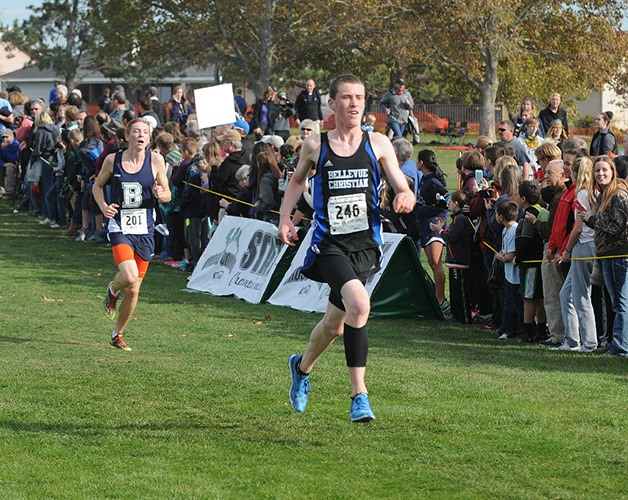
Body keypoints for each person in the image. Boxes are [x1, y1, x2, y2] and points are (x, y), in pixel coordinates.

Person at [277, 74, 415, 422]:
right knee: (360, 304)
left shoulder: (379, 143)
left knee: (336, 324)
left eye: (359, 97)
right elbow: (296, 182)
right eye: (346, 97)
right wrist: (285, 219)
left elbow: (400, 182)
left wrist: (405, 194)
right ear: (332, 104)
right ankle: (359, 395)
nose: (354, 103)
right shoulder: (315, 145)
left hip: (365, 247)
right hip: (329, 245)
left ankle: (302, 367)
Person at [93, 118, 171, 351]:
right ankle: (111, 291)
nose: (140, 135)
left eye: (145, 132)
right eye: (136, 131)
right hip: (120, 226)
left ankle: (117, 334)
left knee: (135, 288)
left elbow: (167, 194)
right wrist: (104, 206)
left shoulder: (156, 160)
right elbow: (97, 186)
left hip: (145, 228)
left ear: (149, 138)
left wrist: (160, 194)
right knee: (128, 276)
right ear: (126, 136)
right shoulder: (113, 159)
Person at [581, 156, 628, 356]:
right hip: (607, 254)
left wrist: (592, 220)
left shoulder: (618, 194)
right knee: (616, 302)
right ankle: (617, 343)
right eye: (597, 171)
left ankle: (621, 346)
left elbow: (617, 226)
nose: (600, 174)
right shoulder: (604, 194)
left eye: (604, 170)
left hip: (620, 254)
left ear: (612, 171)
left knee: (621, 302)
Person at [430, 190, 474, 324]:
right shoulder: (457, 218)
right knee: (454, 292)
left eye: (450, 201)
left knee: (461, 292)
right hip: (454, 261)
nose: (448, 204)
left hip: (459, 261)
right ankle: (456, 316)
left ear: (456, 203)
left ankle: (464, 317)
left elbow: (451, 237)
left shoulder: (461, 219)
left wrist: (440, 231)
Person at [415, 149, 449, 310]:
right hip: (425, 225)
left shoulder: (434, 183)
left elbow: (445, 203)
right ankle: (437, 297)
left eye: (417, 160)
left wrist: (420, 210)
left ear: (422, 162)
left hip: (434, 226)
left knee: (436, 264)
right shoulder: (425, 178)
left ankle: (440, 299)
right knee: (431, 263)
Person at [515, 181, 547, 343]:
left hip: (530, 262)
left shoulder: (528, 214)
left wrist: (517, 257)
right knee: (540, 297)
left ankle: (528, 330)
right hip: (540, 260)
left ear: (522, 198)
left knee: (528, 297)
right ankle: (542, 328)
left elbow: (525, 240)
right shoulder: (542, 210)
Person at [494, 199, 523, 340]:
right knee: (507, 301)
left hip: (515, 275)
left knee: (513, 303)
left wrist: (499, 256)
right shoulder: (505, 230)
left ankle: (513, 329)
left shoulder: (513, 231)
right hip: (508, 274)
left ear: (501, 216)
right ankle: (506, 327)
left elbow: (511, 255)